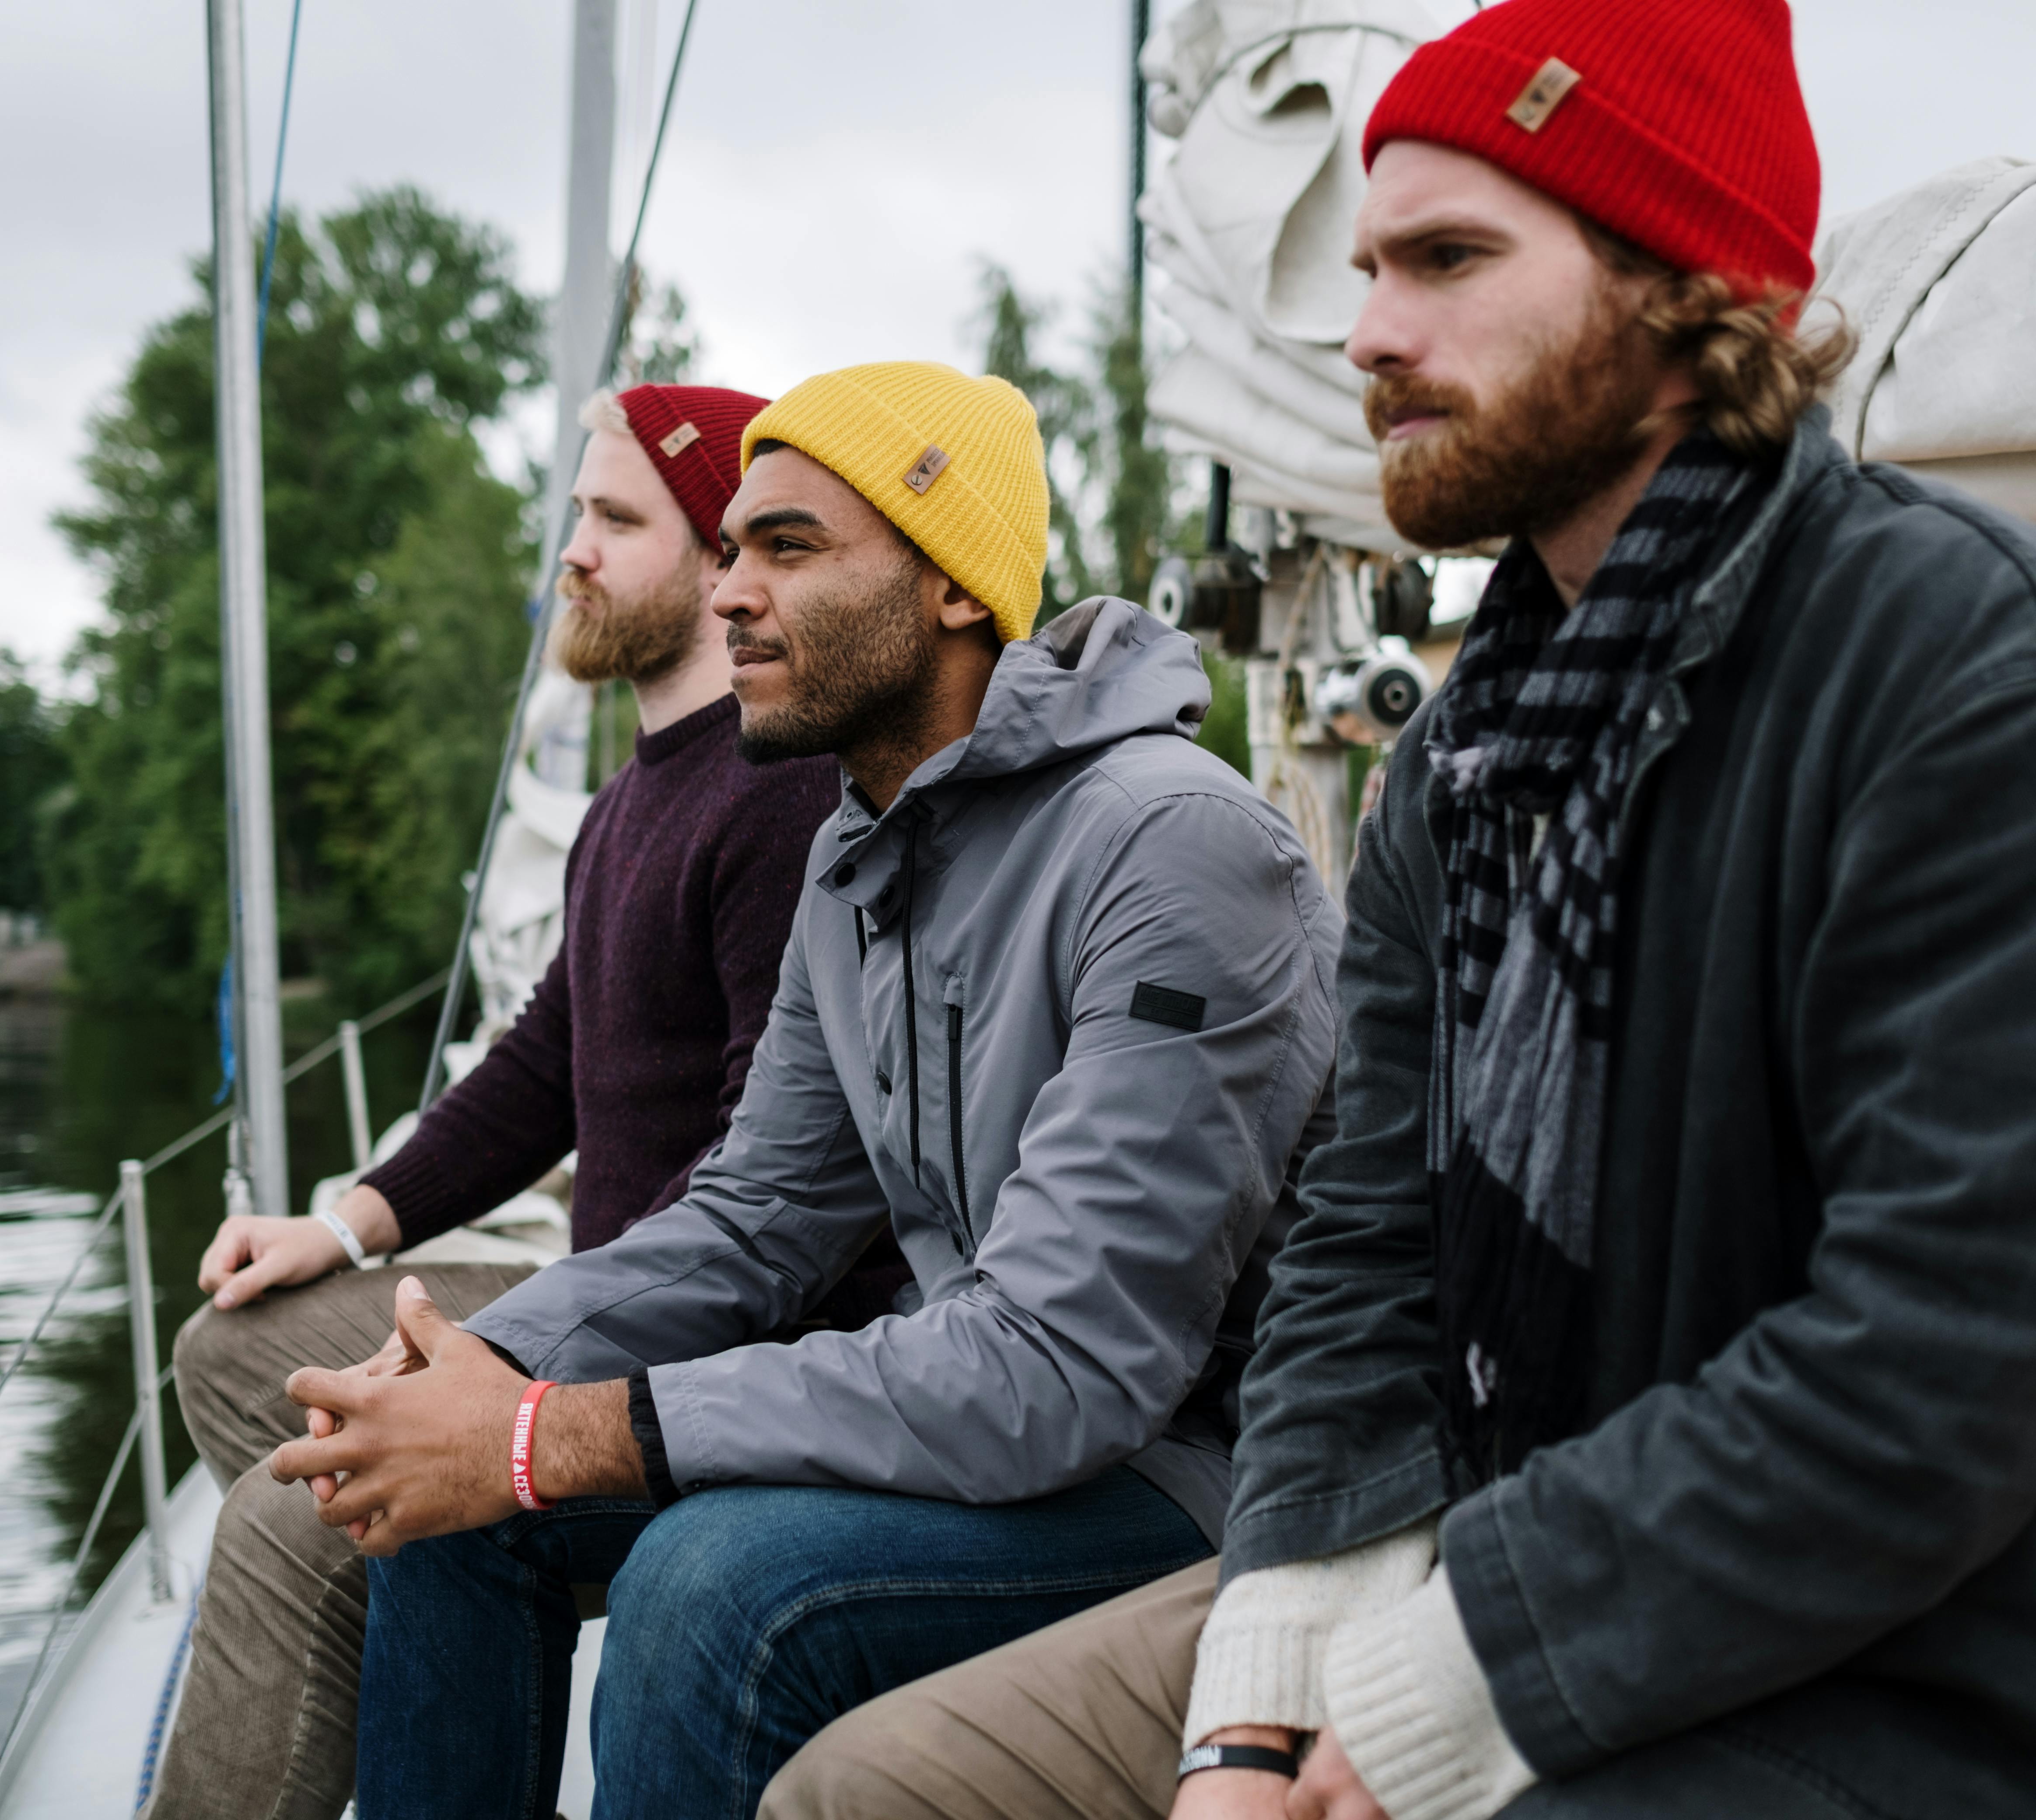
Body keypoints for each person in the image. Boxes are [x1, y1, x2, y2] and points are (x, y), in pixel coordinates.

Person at [759, 2, 2036, 1817]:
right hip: (1478, 1523)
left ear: (1689, 293)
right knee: (874, 1790)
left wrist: (1454, 1689)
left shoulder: (1997, 677)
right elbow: (1373, 1242)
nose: (1372, 334)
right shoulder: (1466, 754)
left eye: (1449, 260)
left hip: (1939, 1666)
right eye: (1368, 268)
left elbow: (1984, 1329)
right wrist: (1261, 1698)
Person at [262, 359, 1344, 1820]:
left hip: (1196, 1472)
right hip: (999, 1427)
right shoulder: (859, 858)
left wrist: (561, 1433)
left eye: (787, 549)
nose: (727, 599)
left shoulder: (1175, 849)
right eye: (727, 554)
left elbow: (1069, 1364)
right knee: (462, 1519)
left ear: (956, 586)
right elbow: (754, 1219)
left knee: (711, 1590)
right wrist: (480, 1376)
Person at [143, 380, 887, 1820]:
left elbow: (767, 1184)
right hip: (600, 1287)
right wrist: (347, 1224)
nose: (577, 552)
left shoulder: (777, 798)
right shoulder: (636, 797)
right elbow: (546, 1061)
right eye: (578, 517)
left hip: (703, 1350)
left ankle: (394, 1602)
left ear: (715, 554)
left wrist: (503, 1374)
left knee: (300, 1515)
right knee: (231, 1349)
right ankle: (429, 1684)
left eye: (616, 519)